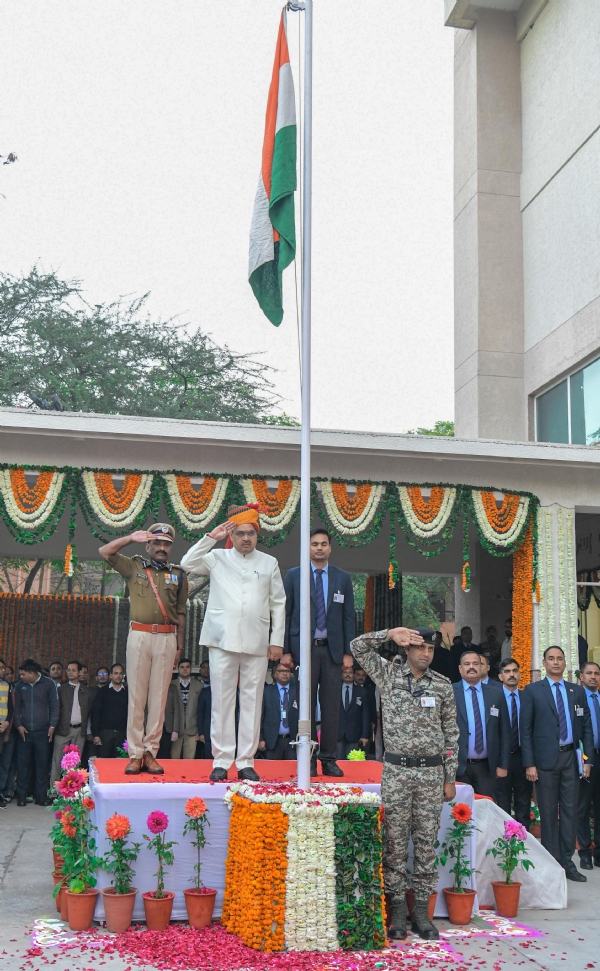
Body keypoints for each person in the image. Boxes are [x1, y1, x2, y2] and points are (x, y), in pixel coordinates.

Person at [351, 625, 458, 941]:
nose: (426, 654)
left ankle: (422, 911)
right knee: (395, 843)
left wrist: (449, 777)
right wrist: (389, 634)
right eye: (420, 648)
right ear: (407, 649)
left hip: (430, 774)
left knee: (426, 843)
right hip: (397, 773)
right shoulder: (388, 676)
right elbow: (358, 646)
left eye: (430, 649)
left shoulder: (442, 685)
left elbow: (451, 733)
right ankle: (397, 909)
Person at [181, 503, 285, 782]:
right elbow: (187, 564)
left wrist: (276, 641)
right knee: (222, 701)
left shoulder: (269, 562)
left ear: (257, 534)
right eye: (240, 533)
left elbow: (278, 603)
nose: (246, 538)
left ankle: (246, 760)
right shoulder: (217, 557)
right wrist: (210, 538)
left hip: (257, 641)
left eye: (251, 533)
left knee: (253, 700)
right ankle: (222, 759)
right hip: (221, 638)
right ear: (232, 535)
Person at [99, 524, 188, 776]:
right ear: (148, 546)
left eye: (166, 544)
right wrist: (130, 538)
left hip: (167, 637)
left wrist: (180, 645)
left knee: (159, 699)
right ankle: (135, 755)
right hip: (138, 634)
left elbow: (181, 613)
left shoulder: (179, 574)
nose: (162, 548)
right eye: (157, 543)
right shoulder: (134, 566)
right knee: (136, 697)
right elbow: (105, 552)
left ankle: (151, 752)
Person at [283, 528, 355, 778]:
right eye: (314, 544)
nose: (319, 548)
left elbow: (348, 618)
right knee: (305, 706)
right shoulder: (294, 576)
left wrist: (348, 652)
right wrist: (285, 651)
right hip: (304, 651)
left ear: (330, 548)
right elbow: (286, 613)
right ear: (308, 547)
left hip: (333, 653)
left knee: (331, 707)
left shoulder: (342, 578)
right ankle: (308, 757)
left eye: (324, 544)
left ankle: (329, 758)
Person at [520, 645, 593, 881]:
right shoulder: (532, 691)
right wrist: (529, 763)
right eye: (551, 658)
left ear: (565, 663)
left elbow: (586, 728)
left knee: (571, 811)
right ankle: (552, 864)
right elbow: (526, 730)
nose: (555, 662)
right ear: (544, 662)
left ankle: (568, 863)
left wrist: (587, 760)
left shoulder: (576, 692)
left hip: (571, 759)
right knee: (549, 813)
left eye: (559, 658)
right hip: (544, 762)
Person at [453, 650, 510, 797]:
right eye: (467, 664)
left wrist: (503, 764)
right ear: (460, 668)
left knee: (486, 811)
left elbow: (504, 731)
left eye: (475, 663)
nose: (471, 667)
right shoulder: (451, 692)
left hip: (487, 767)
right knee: (459, 812)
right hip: (458, 766)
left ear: (482, 667)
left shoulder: (496, 694)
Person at [13, 659, 59, 807]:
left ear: (32, 673)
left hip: (43, 732)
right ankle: (21, 796)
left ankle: (41, 796)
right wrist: (19, 725)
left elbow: (54, 706)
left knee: (42, 765)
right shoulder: (20, 686)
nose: (20, 677)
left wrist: (52, 726)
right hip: (24, 732)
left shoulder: (48, 684)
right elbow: (16, 708)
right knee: (23, 765)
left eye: (23, 674)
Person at [494, 657, 532, 829]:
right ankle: (504, 845)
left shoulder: (527, 698)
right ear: (500, 676)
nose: (511, 674)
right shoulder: (493, 698)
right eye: (507, 671)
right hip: (501, 758)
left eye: (515, 671)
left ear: (520, 674)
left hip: (522, 758)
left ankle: (524, 844)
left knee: (523, 803)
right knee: (502, 804)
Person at [51, 660, 94, 785]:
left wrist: (88, 731)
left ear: (80, 672)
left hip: (79, 730)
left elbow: (90, 712)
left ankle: (73, 792)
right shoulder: (61, 689)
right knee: (57, 761)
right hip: (63, 730)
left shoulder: (87, 691)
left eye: (73, 670)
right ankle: (54, 792)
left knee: (75, 762)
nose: (70, 672)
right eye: (68, 670)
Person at [576, 660, 600, 870]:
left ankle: (599, 853)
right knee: (583, 807)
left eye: (597, 673)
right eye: (589, 673)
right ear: (581, 677)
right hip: (584, 759)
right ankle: (584, 852)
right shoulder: (576, 699)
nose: (593, 677)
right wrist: (585, 759)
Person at [259, 662, 298, 759]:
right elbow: (260, 717)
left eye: (287, 671)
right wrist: (260, 738)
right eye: (281, 671)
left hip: (293, 741)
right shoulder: (266, 692)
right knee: (272, 772)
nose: (285, 673)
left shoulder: (298, 691)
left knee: (292, 772)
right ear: (274, 674)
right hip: (272, 742)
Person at [165, 658, 202, 759]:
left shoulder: (199, 686)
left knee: (189, 760)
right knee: (174, 759)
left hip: (192, 728)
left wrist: (200, 730)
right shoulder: (171, 685)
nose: (185, 669)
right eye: (182, 667)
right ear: (178, 669)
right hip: (175, 728)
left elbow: (201, 710)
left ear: (191, 669)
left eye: (187, 667)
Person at [91, 663, 128, 757]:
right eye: (116, 673)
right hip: (105, 734)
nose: (118, 676)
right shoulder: (102, 692)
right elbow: (96, 713)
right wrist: (95, 735)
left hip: (123, 734)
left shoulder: (128, 692)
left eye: (120, 673)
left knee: (120, 763)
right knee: (104, 763)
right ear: (111, 675)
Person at [336, 666, 370, 759]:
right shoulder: (334, 690)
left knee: (353, 764)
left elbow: (365, 715)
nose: (347, 675)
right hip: (337, 733)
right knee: (337, 762)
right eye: (345, 672)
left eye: (350, 672)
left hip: (354, 734)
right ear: (341, 674)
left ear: (354, 675)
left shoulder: (362, 691)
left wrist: (365, 735)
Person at [0, 659, 12, 809]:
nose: (3, 671)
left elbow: (10, 707)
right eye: (1, 668)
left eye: (3, 668)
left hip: (2, 729)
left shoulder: (6, 685)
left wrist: (7, 722)